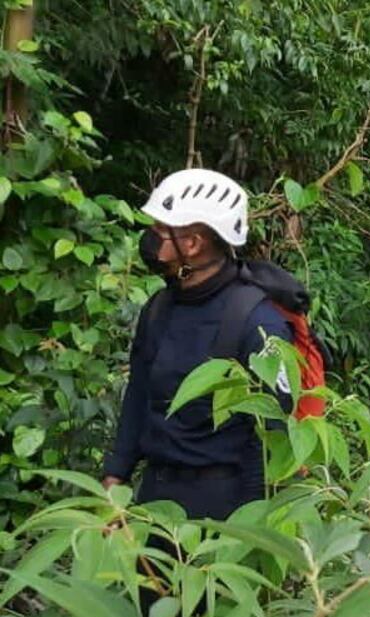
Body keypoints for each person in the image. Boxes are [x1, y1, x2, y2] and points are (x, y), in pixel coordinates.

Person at [102, 168, 293, 521]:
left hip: (221, 506)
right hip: (154, 498)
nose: (150, 239)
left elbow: (270, 440)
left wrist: (250, 531)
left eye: (160, 231)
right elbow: (139, 395)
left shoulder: (257, 323)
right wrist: (115, 477)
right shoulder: (159, 308)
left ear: (192, 243)